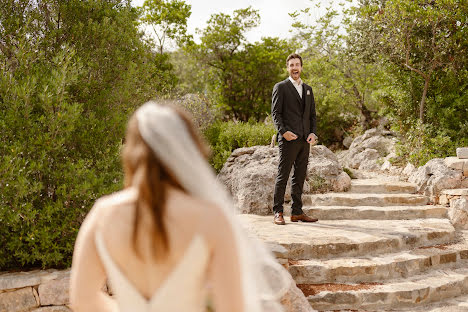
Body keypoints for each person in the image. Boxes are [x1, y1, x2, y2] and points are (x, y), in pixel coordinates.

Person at [69, 101, 290, 312]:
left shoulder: (102, 214)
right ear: (187, 150)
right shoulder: (210, 218)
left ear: (131, 151)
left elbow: (81, 299)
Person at [271, 53, 318, 225]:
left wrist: (313, 133)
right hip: (288, 139)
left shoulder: (308, 89)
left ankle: (297, 212)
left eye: (297, 64)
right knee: (283, 176)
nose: (295, 68)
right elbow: (276, 114)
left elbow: (312, 115)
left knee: (299, 176)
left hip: (305, 140)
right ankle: (278, 212)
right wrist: (283, 132)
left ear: (302, 67)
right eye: (291, 65)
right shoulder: (280, 87)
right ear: (287, 68)